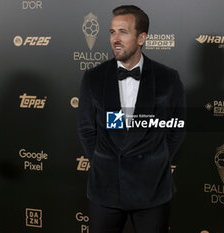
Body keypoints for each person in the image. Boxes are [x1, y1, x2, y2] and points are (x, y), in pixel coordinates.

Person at [78, 5, 186, 233]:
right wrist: (105, 161)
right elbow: (87, 130)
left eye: (123, 32)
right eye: (112, 32)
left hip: (152, 191)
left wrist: (154, 159)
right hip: (105, 190)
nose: (115, 39)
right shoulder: (93, 78)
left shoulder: (168, 78)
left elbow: (177, 128)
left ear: (141, 38)